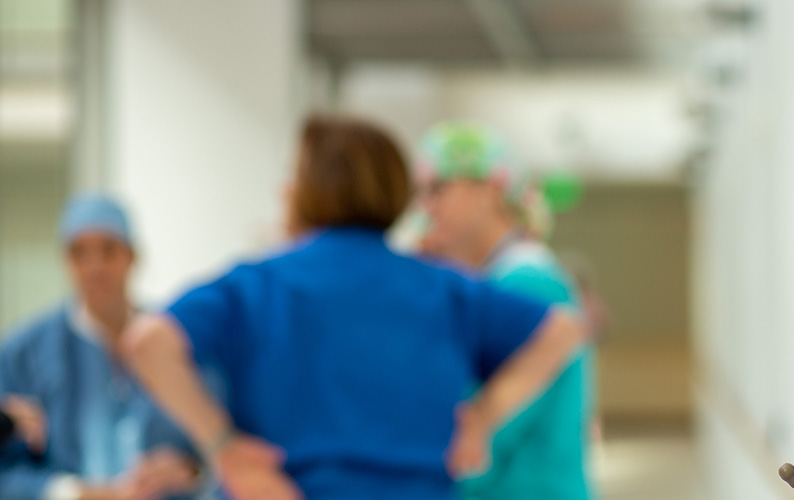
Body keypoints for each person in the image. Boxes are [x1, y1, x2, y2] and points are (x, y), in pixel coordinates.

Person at [122, 115, 589, 500]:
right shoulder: (442, 288)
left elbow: (148, 341)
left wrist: (223, 446)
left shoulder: (260, 283)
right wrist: (482, 417)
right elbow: (562, 331)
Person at [414, 122, 595, 500]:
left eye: (438, 190)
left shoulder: (527, 283)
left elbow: (488, 436)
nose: (426, 207)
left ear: (490, 190)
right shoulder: (506, 279)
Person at [0, 194, 201, 500]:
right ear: (65, 261)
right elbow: (6, 472)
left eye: (108, 250)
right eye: (79, 252)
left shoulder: (174, 341)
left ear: (132, 256)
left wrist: (191, 471)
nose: (95, 266)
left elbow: (213, 441)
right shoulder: (23, 353)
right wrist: (71, 492)